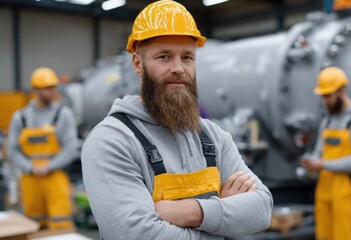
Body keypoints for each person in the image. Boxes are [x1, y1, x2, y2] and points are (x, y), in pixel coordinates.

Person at [81, 1, 273, 239]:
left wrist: (192, 212)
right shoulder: (112, 141)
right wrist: (223, 217)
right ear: (138, 64)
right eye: (164, 57)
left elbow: (262, 209)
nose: (178, 68)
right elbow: (136, 234)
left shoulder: (214, 137)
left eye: (187, 57)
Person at [300, 67, 351, 240]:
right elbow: (319, 152)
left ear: (342, 91)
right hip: (325, 187)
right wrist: (310, 162)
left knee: (345, 235)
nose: (325, 101)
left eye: (328, 95)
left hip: (347, 190)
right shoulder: (328, 120)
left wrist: (322, 164)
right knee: (324, 235)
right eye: (323, 96)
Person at [8, 67, 78, 229]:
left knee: (61, 224)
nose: (52, 92)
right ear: (36, 90)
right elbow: (13, 149)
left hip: (55, 177)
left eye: (53, 87)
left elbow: (71, 147)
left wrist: (50, 166)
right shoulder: (21, 117)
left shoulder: (63, 114)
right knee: (33, 225)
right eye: (47, 88)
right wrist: (30, 167)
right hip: (29, 179)